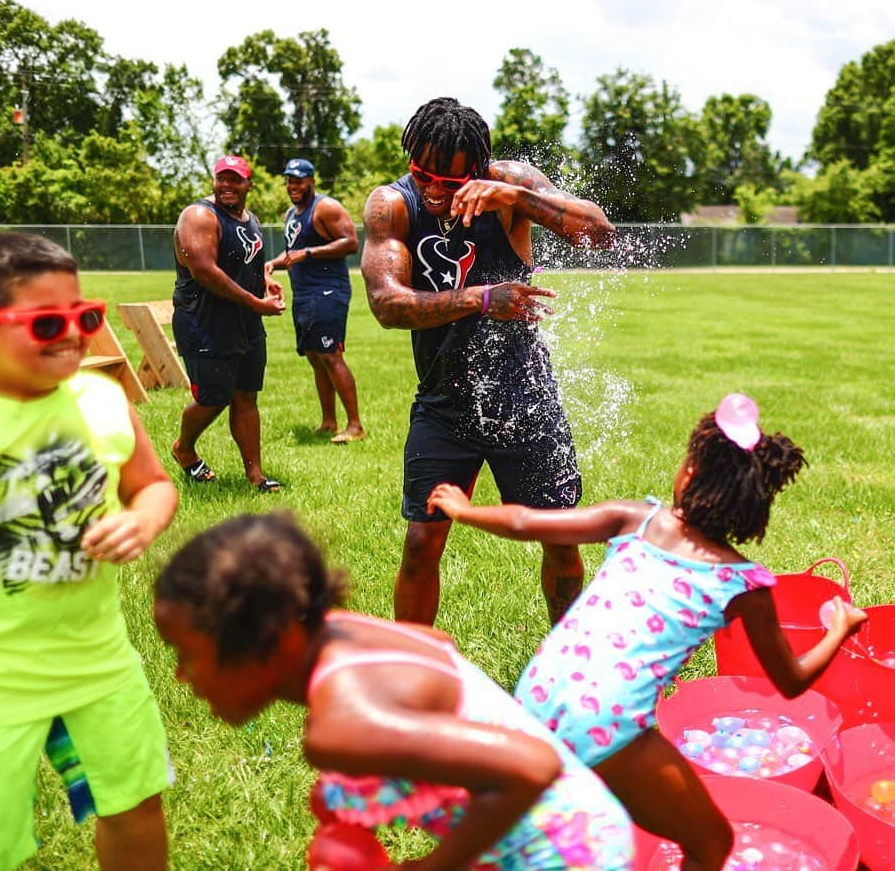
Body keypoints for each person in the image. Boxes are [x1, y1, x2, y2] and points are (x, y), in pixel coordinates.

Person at [428, 393, 869, 870]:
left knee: (543, 828)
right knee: (712, 844)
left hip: (537, 692)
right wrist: (838, 628)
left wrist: (464, 510)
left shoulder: (637, 519)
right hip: (603, 719)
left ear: (690, 474)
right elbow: (791, 681)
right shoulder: (743, 584)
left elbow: (525, 521)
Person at [154, 510, 634, 870]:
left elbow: (533, 766)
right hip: (589, 824)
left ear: (272, 637)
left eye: (188, 654)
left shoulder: (339, 726)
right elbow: (437, 648)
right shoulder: (346, 629)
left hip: (567, 858)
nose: (181, 675)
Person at [361, 96, 616, 627]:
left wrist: (517, 195)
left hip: (524, 396)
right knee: (420, 544)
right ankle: (415, 671)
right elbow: (387, 304)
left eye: (450, 183)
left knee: (560, 540)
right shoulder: (393, 206)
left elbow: (600, 234)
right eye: (422, 174)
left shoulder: (509, 189)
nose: (434, 191)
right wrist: (481, 298)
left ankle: (569, 664)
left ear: (477, 172)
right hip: (443, 405)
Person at [0, 232, 179, 870]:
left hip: (96, 661)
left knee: (134, 805)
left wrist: (142, 523)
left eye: (85, 317)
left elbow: (153, 485)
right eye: (47, 322)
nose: (73, 335)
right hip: (0, 681)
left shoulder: (103, 399)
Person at [171, 155, 286, 492]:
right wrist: (257, 304)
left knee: (246, 395)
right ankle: (184, 449)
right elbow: (206, 271)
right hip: (205, 322)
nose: (227, 186)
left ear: (249, 184)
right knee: (213, 398)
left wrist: (265, 283)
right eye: (222, 178)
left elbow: (247, 264)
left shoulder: (250, 219)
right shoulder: (199, 216)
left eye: (235, 179)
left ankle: (256, 475)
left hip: (244, 322)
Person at [265, 158, 366, 444]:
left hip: (328, 291)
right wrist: (273, 264)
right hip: (304, 294)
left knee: (331, 355)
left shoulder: (325, 207)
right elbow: (293, 254)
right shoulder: (291, 214)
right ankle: (329, 422)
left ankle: (355, 426)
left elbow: (350, 242)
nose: (293, 186)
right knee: (314, 357)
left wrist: (308, 254)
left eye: (298, 180)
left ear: (311, 180)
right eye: (289, 180)